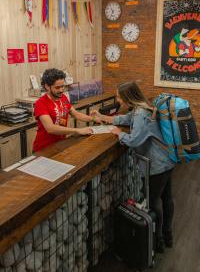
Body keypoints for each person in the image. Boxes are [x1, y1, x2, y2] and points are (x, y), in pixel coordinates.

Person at [91, 81, 175, 253]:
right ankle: (167, 235)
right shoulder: (144, 107)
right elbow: (124, 118)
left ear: (127, 97)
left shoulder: (140, 115)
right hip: (168, 159)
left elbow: (133, 140)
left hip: (157, 165)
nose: (117, 99)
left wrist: (118, 133)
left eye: (118, 96)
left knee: (153, 203)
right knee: (167, 198)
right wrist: (102, 117)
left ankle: (157, 241)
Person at [33, 68, 99, 152]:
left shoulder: (63, 97)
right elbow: (50, 128)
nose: (61, 90)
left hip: (60, 144)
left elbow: (75, 114)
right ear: (47, 86)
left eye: (62, 86)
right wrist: (77, 130)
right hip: (44, 149)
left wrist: (93, 118)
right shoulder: (40, 103)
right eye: (57, 87)